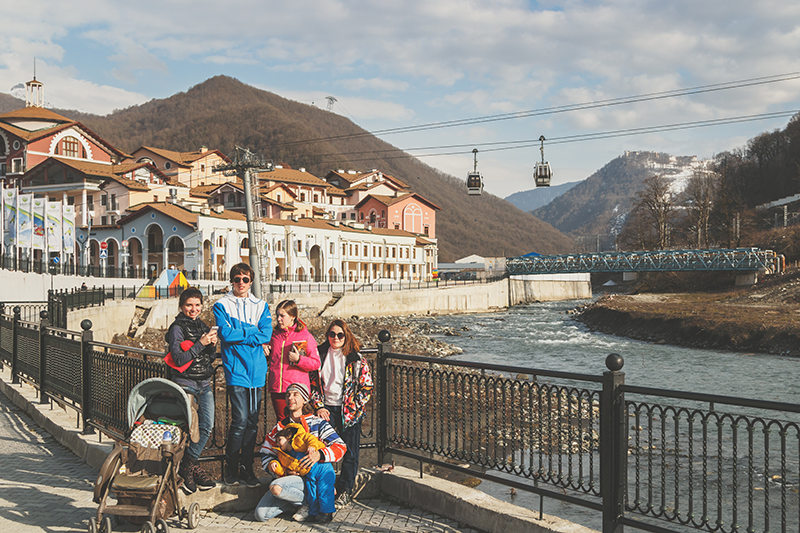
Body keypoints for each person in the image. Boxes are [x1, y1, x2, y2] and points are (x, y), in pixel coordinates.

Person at [213, 262, 272, 486]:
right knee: (239, 420)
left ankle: (247, 469)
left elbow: (266, 334)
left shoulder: (261, 305)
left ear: (251, 281)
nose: (241, 283)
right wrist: (251, 331)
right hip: (236, 370)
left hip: (257, 371)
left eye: (245, 279)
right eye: (237, 279)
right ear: (232, 281)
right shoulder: (222, 305)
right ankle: (231, 469)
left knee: (253, 422)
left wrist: (243, 334)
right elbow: (226, 335)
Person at [254, 383, 346, 524]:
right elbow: (266, 454)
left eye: (295, 394)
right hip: (290, 478)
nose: (290, 398)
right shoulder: (279, 428)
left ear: (304, 400)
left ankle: (313, 504)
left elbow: (340, 446)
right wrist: (277, 467)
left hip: (314, 476)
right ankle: (300, 503)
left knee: (276, 487)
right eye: (288, 395)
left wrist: (319, 455)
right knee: (261, 514)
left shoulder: (318, 423)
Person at [311, 319, 373, 509]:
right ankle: (322, 490)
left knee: (350, 451)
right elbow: (313, 383)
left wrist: (355, 406)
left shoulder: (355, 359)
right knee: (319, 449)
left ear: (346, 336)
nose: (335, 338)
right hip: (326, 409)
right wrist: (318, 406)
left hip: (348, 411)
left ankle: (345, 491)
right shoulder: (319, 354)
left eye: (340, 335)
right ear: (327, 336)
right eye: (332, 334)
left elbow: (367, 386)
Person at [164, 287, 218, 494]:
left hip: (204, 383)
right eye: (189, 305)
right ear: (181, 306)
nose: (193, 309)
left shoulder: (202, 325)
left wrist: (211, 345)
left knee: (207, 425)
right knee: (186, 428)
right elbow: (178, 358)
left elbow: (209, 357)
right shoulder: (177, 328)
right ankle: (186, 468)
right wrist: (200, 343)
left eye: (197, 305)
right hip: (185, 382)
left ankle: (188, 465)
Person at [269, 424, 336, 520]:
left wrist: (312, 446)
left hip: (323, 469)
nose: (278, 444)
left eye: (279, 440)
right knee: (312, 493)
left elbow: (311, 439)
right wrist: (274, 465)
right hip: (309, 474)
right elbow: (283, 467)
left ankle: (326, 513)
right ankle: (313, 513)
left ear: (288, 437)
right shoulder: (284, 455)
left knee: (324, 490)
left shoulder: (300, 438)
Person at [266, 300, 319, 419]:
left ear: (292, 317)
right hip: (277, 389)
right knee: (282, 423)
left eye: (282, 316)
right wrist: (263, 348)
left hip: (297, 389)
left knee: (298, 423)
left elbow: (316, 363)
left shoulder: (305, 336)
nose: (278, 319)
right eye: (277, 315)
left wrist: (299, 360)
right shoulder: (274, 336)